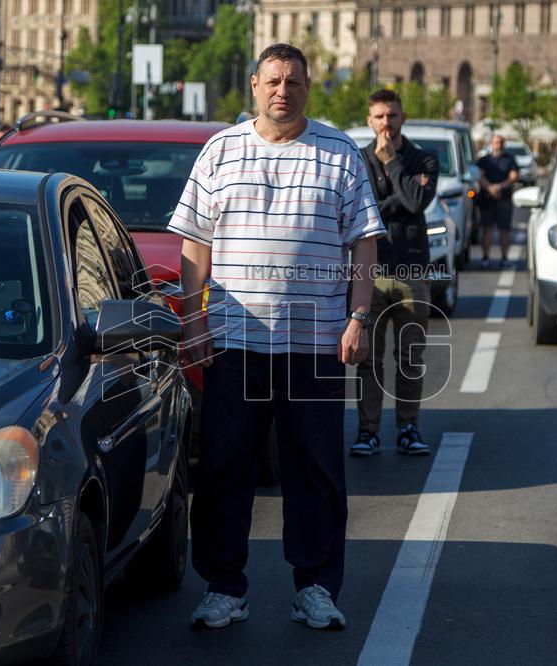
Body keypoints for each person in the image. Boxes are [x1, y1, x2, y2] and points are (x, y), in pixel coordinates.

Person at [168, 43, 384, 631]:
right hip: (234, 343)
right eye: (273, 81)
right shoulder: (220, 151)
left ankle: (315, 587)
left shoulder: (339, 153)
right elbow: (194, 245)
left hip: (315, 344)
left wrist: (358, 318)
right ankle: (223, 588)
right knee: (224, 467)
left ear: (307, 87)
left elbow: (364, 242)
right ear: (254, 86)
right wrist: (193, 322)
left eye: (293, 81)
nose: (282, 91)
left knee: (315, 469)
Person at [351, 89, 438, 458]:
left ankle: (408, 427)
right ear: (369, 121)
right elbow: (362, 209)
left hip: (411, 272)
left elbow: (417, 202)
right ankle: (368, 431)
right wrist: (400, 197)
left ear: (403, 118)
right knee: (369, 359)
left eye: (393, 115)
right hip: (370, 273)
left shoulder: (423, 159)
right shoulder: (359, 160)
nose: (387, 123)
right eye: (380, 116)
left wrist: (393, 165)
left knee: (410, 357)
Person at [476, 133, 519, 268]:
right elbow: (479, 176)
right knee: (487, 228)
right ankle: (485, 257)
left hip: (504, 199)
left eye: (500, 142)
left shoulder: (510, 159)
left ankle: (504, 257)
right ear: (491, 143)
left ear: (503, 144)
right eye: (495, 142)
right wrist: (490, 188)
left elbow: (513, 176)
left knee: (504, 230)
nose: (498, 145)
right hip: (487, 199)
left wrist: (499, 187)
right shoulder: (484, 160)